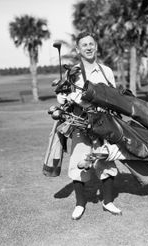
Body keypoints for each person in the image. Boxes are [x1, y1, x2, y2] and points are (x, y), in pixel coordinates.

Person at [57, 32, 122, 220]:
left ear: (96, 46)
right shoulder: (73, 72)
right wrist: (61, 98)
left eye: (91, 44)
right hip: (80, 124)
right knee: (78, 163)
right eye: (84, 44)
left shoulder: (106, 71)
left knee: (107, 160)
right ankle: (80, 204)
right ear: (78, 49)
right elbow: (64, 99)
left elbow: (114, 97)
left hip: (104, 124)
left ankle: (108, 202)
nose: (88, 47)